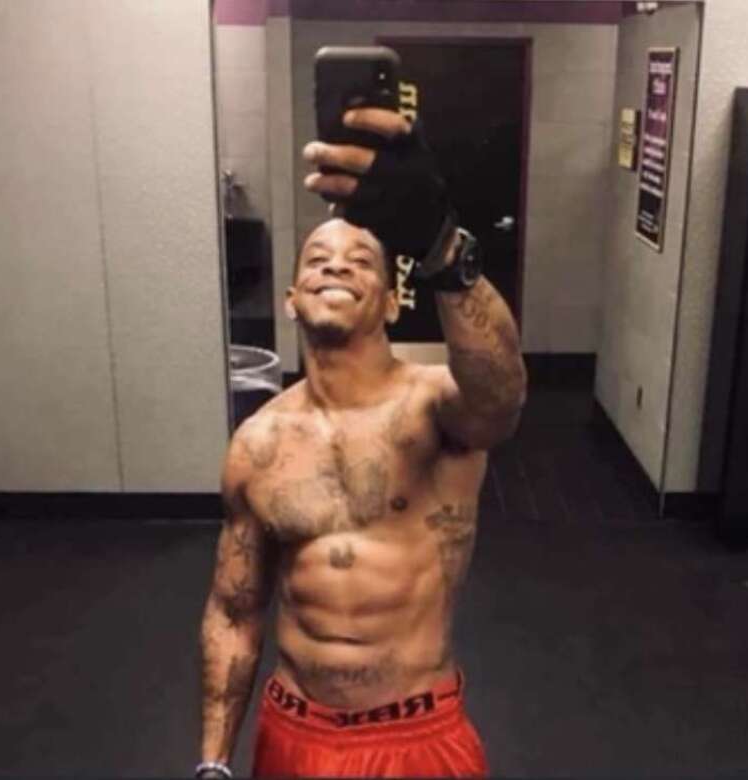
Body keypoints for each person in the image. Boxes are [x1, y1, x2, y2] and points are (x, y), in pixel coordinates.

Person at [197, 107, 527, 779]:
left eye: (360, 262)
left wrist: (442, 249)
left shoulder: (437, 407)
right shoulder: (258, 444)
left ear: (392, 301)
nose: (335, 268)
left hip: (418, 734)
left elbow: (501, 400)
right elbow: (234, 611)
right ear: (292, 297)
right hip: (295, 732)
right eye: (317, 260)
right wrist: (213, 763)